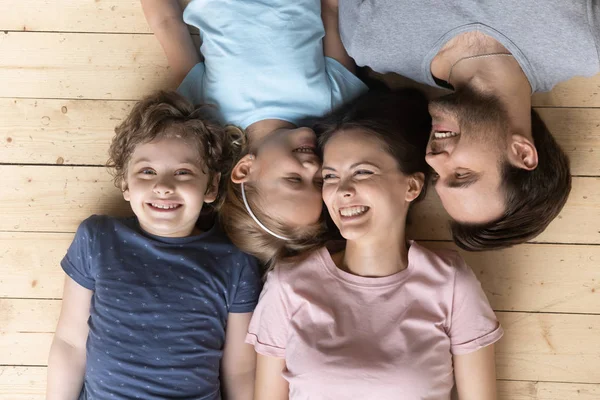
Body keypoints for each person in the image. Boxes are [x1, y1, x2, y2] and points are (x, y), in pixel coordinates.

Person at [246, 90, 504, 400]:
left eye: (363, 172)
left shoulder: (449, 282)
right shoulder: (287, 285)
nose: (342, 191)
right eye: (330, 176)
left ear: (411, 186)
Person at [46, 91, 261, 400]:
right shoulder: (98, 239)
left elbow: (240, 370)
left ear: (211, 186)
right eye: (147, 171)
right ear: (125, 184)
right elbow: (69, 343)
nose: (163, 186)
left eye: (183, 172)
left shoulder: (235, 260)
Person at [335, 0, 600, 250]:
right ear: (522, 152)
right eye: (461, 174)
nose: (432, 159)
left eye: (438, 176)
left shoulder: (370, 39)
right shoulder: (586, 40)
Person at [140, 0, 367, 265]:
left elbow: (167, 25)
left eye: (294, 179)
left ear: (244, 170)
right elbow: (332, 11)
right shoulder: (335, 108)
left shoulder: (207, 115)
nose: (312, 167)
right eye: (319, 181)